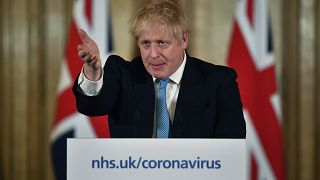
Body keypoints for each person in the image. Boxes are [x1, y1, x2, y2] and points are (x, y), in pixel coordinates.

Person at [73, 0, 246, 138]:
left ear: (184, 39)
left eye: (162, 43)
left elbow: (230, 147)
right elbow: (92, 107)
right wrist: (93, 73)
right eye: (146, 43)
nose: (153, 54)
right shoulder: (123, 74)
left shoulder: (218, 81)